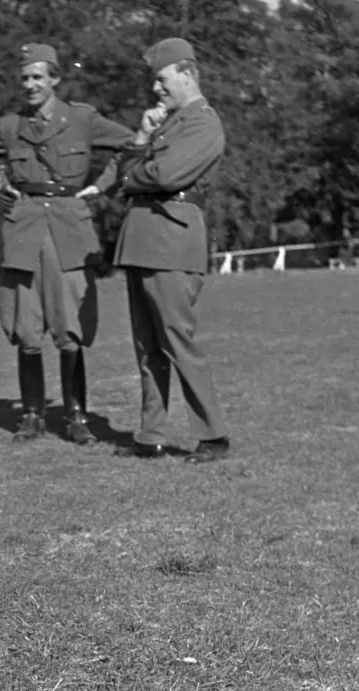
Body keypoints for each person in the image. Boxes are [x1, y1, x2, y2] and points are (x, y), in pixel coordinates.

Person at [0, 43, 134, 445]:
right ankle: (31, 414)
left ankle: (76, 416)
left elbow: (132, 144)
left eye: (38, 77)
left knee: (70, 325)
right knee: (26, 325)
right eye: (25, 78)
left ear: (55, 79)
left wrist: (103, 185)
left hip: (69, 227)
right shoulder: (10, 126)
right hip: (24, 226)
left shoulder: (81, 118)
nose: (30, 85)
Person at [99, 37, 229, 462]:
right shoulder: (168, 124)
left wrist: (133, 176)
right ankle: (150, 433)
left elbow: (167, 173)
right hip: (141, 240)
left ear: (188, 73)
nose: (156, 88)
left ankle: (212, 435)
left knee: (177, 340)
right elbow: (131, 165)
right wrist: (141, 147)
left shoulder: (203, 124)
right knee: (146, 346)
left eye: (162, 79)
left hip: (172, 242)